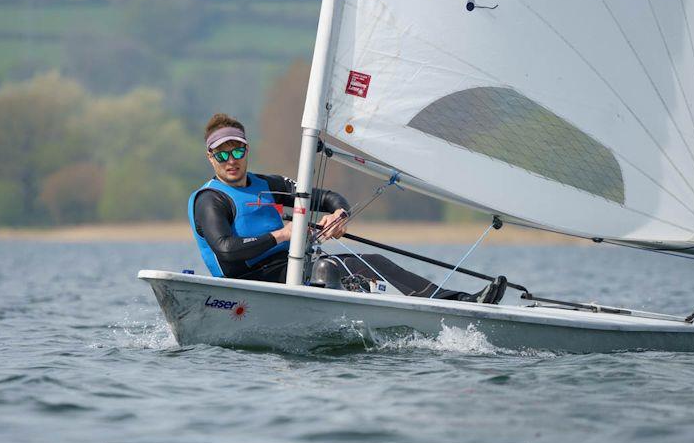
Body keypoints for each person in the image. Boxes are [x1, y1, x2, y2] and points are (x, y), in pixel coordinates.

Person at [188, 113, 507, 304]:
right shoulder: (211, 200)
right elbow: (227, 249)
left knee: (373, 262)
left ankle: (458, 303)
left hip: (291, 267)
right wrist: (283, 233)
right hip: (249, 284)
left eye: (237, 151)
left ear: (246, 150)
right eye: (222, 155)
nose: (232, 161)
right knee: (329, 269)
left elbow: (327, 197)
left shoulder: (269, 184)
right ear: (210, 158)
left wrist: (339, 214)